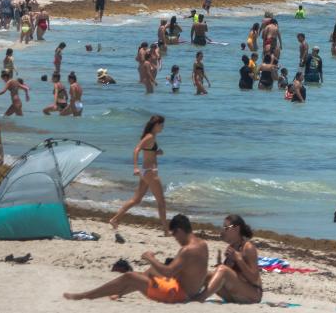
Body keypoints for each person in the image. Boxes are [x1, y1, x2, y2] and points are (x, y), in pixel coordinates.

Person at [64, 214, 208, 303]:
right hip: (188, 292)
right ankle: (119, 293)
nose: (176, 239)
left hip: (177, 295)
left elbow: (168, 272)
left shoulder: (187, 250)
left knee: (130, 276)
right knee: (151, 271)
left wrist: (150, 257)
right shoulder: (202, 245)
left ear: (180, 231)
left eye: (175, 235)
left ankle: (85, 296)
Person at [110, 116, 171, 235]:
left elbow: (148, 151)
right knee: (161, 202)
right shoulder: (150, 137)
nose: (163, 127)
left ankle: (115, 219)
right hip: (150, 172)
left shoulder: (151, 137)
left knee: (136, 199)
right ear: (156, 124)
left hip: (146, 171)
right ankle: (166, 230)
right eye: (162, 125)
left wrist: (156, 152)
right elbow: (136, 149)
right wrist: (135, 167)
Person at [195, 215, 262, 304]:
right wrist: (221, 264)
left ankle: (200, 298)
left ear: (236, 229)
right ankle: (190, 294)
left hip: (253, 295)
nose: (223, 230)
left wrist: (239, 260)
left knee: (222, 270)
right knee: (205, 275)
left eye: (226, 228)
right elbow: (229, 275)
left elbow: (254, 278)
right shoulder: (231, 247)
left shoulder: (248, 248)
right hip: (234, 295)